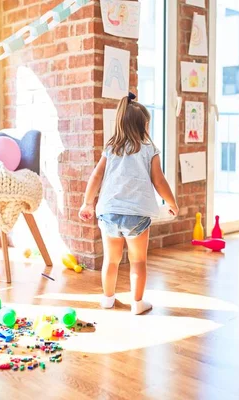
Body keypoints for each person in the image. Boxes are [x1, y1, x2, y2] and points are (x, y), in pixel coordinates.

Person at [79, 92, 178, 315]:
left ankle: (107, 299)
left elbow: (96, 176)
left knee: (111, 261)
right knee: (138, 261)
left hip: (109, 214)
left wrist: (87, 203)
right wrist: (171, 202)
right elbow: (159, 180)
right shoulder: (149, 150)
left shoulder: (111, 149)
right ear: (142, 126)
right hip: (137, 215)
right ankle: (137, 303)